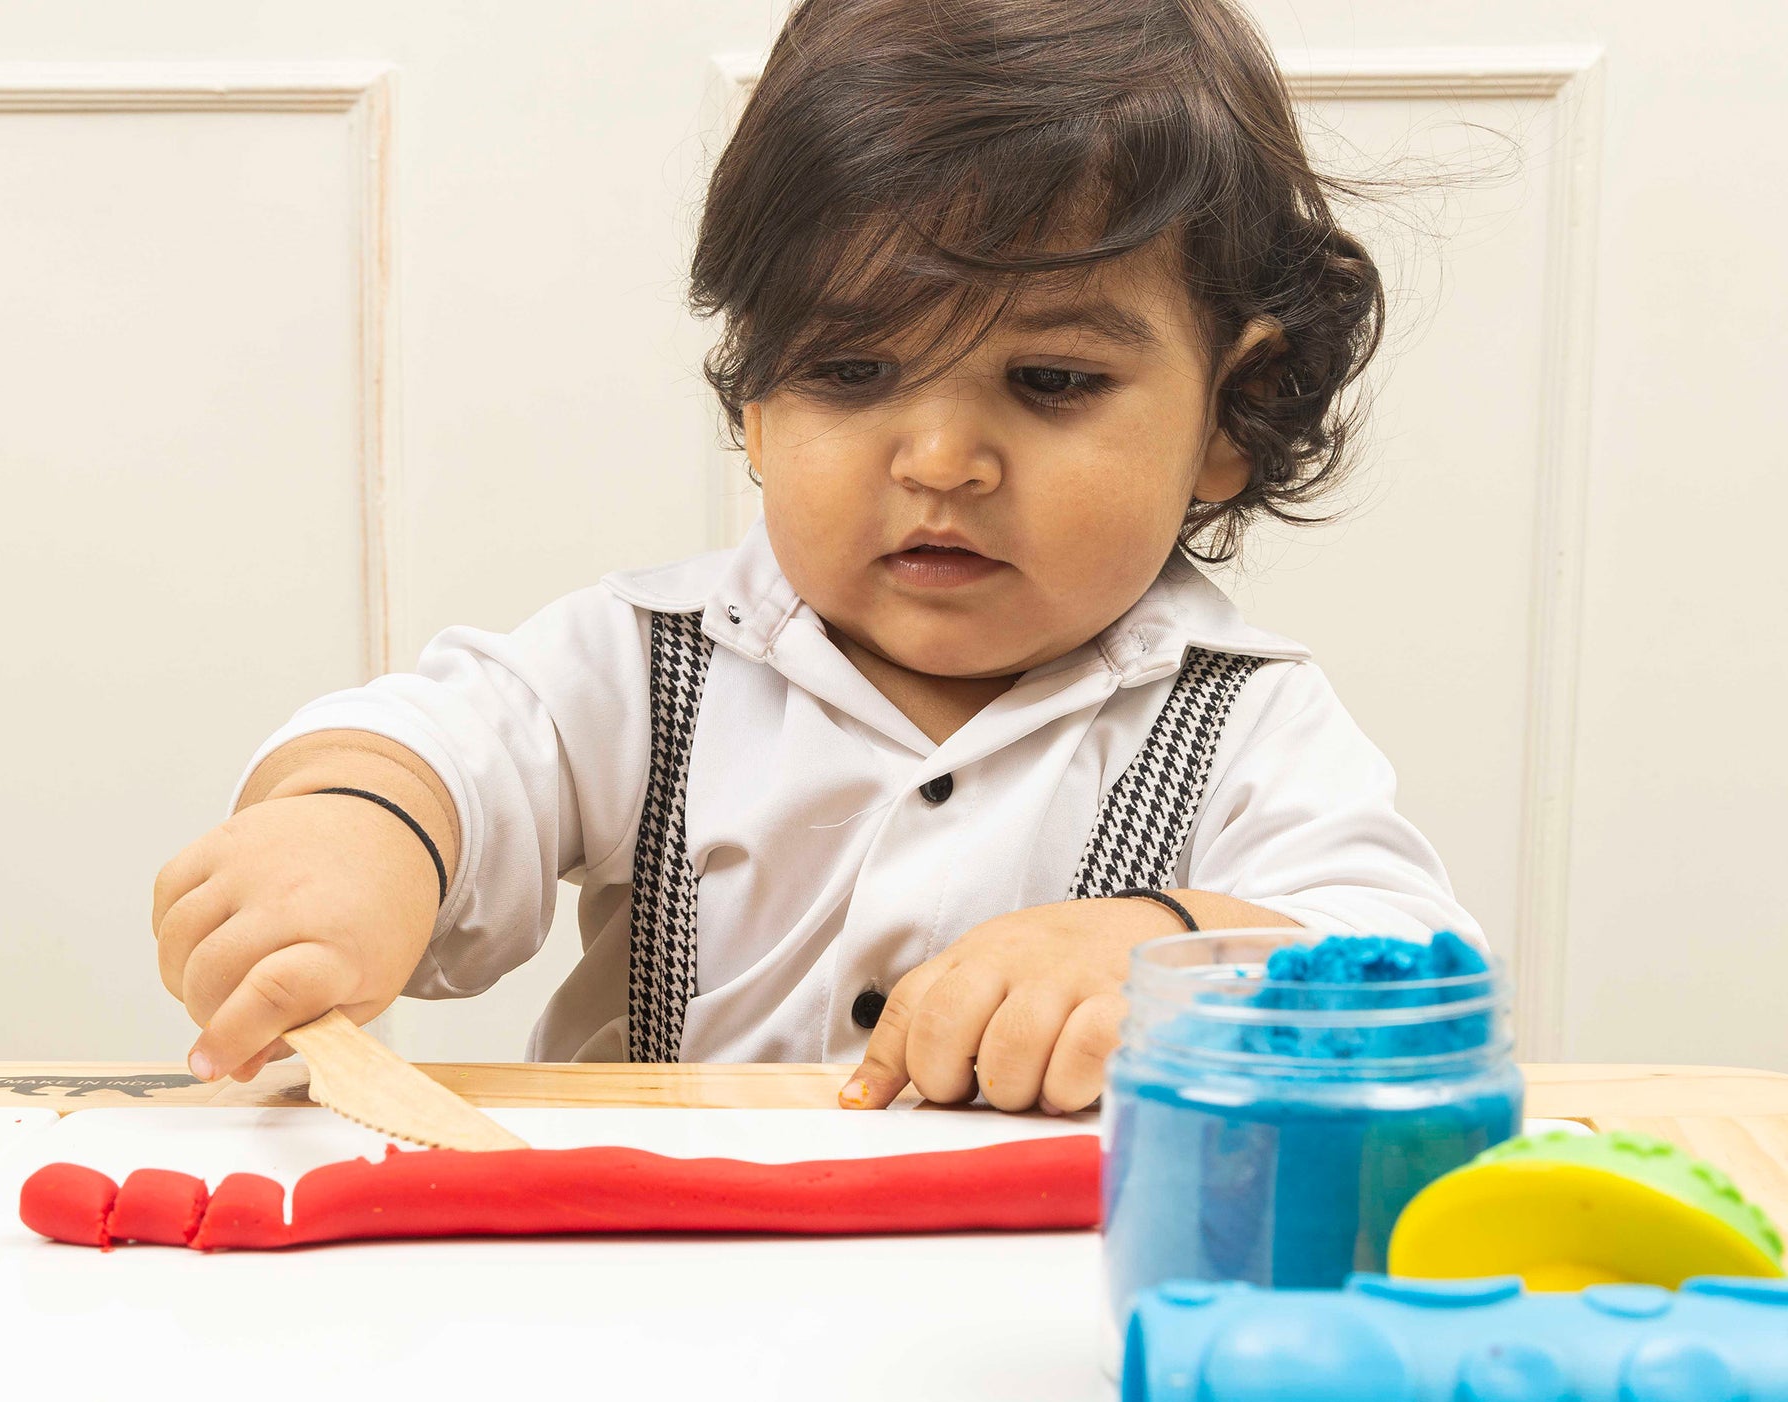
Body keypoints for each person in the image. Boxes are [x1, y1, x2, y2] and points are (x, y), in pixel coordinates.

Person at [152, 0, 1474, 1116]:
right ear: (756, 404)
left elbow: (1411, 967)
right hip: (653, 1302)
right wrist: (361, 833)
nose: (943, 458)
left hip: (1034, 1316)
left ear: (1231, 420)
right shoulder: (648, 665)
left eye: (1054, 378)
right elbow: (453, 743)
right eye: (853, 369)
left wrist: (1167, 951)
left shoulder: (1240, 721)